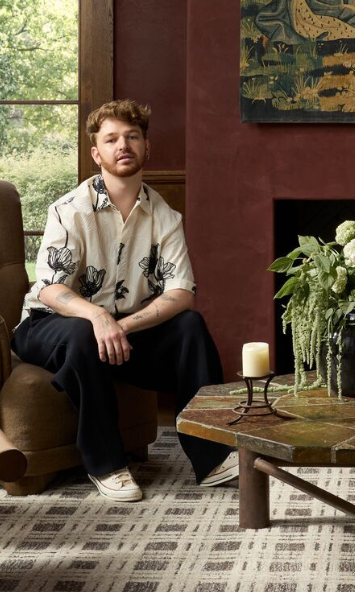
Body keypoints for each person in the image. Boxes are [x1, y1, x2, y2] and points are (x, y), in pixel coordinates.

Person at [12, 99, 237, 502]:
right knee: (83, 333)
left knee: (190, 326)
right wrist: (98, 316)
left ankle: (212, 457)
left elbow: (181, 292)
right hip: (48, 326)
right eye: (112, 139)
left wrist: (123, 326)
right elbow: (48, 288)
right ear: (97, 153)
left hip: (119, 331)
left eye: (132, 136)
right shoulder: (69, 210)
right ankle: (106, 463)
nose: (124, 145)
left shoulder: (164, 216)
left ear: (147, 147)